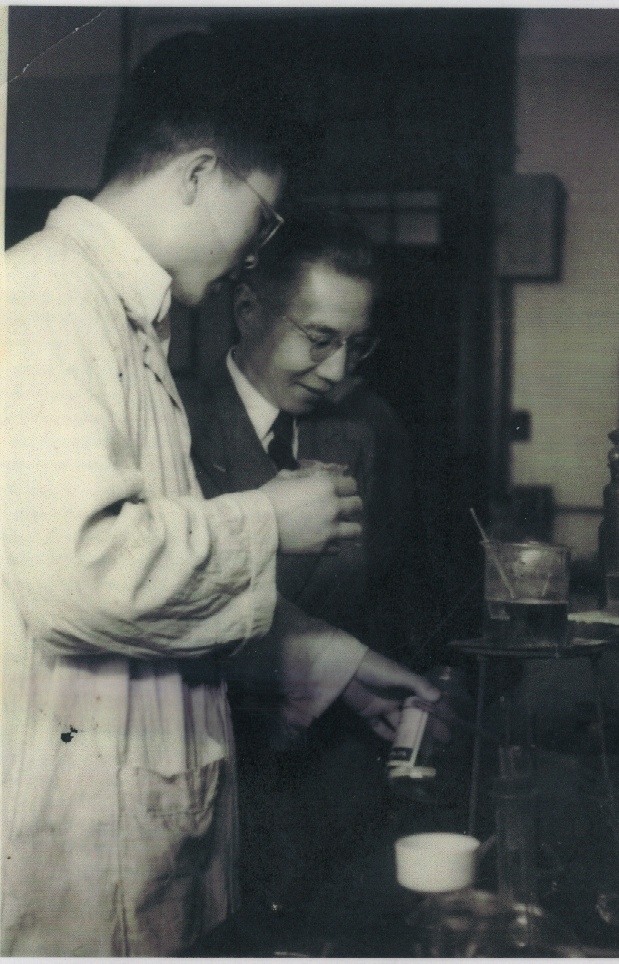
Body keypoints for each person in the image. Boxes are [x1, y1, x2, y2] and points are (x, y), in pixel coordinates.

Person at [0, 33, 439, 957]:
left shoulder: (121, 319)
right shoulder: (41, 298)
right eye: (263, 218)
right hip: (82, 856)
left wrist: (338, 664)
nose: (254, 251)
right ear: (201, 174)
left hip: (143, 833)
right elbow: (87, 576)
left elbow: (163, 590)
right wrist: (268, 518)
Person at [177, 208, 444, 921]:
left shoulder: (367, 429)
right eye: (319, 339)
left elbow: (389, 597)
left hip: (337, 780)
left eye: (356, 345)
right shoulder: (175, 423)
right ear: (246, 310)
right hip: (211, 774)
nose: (336, 371)